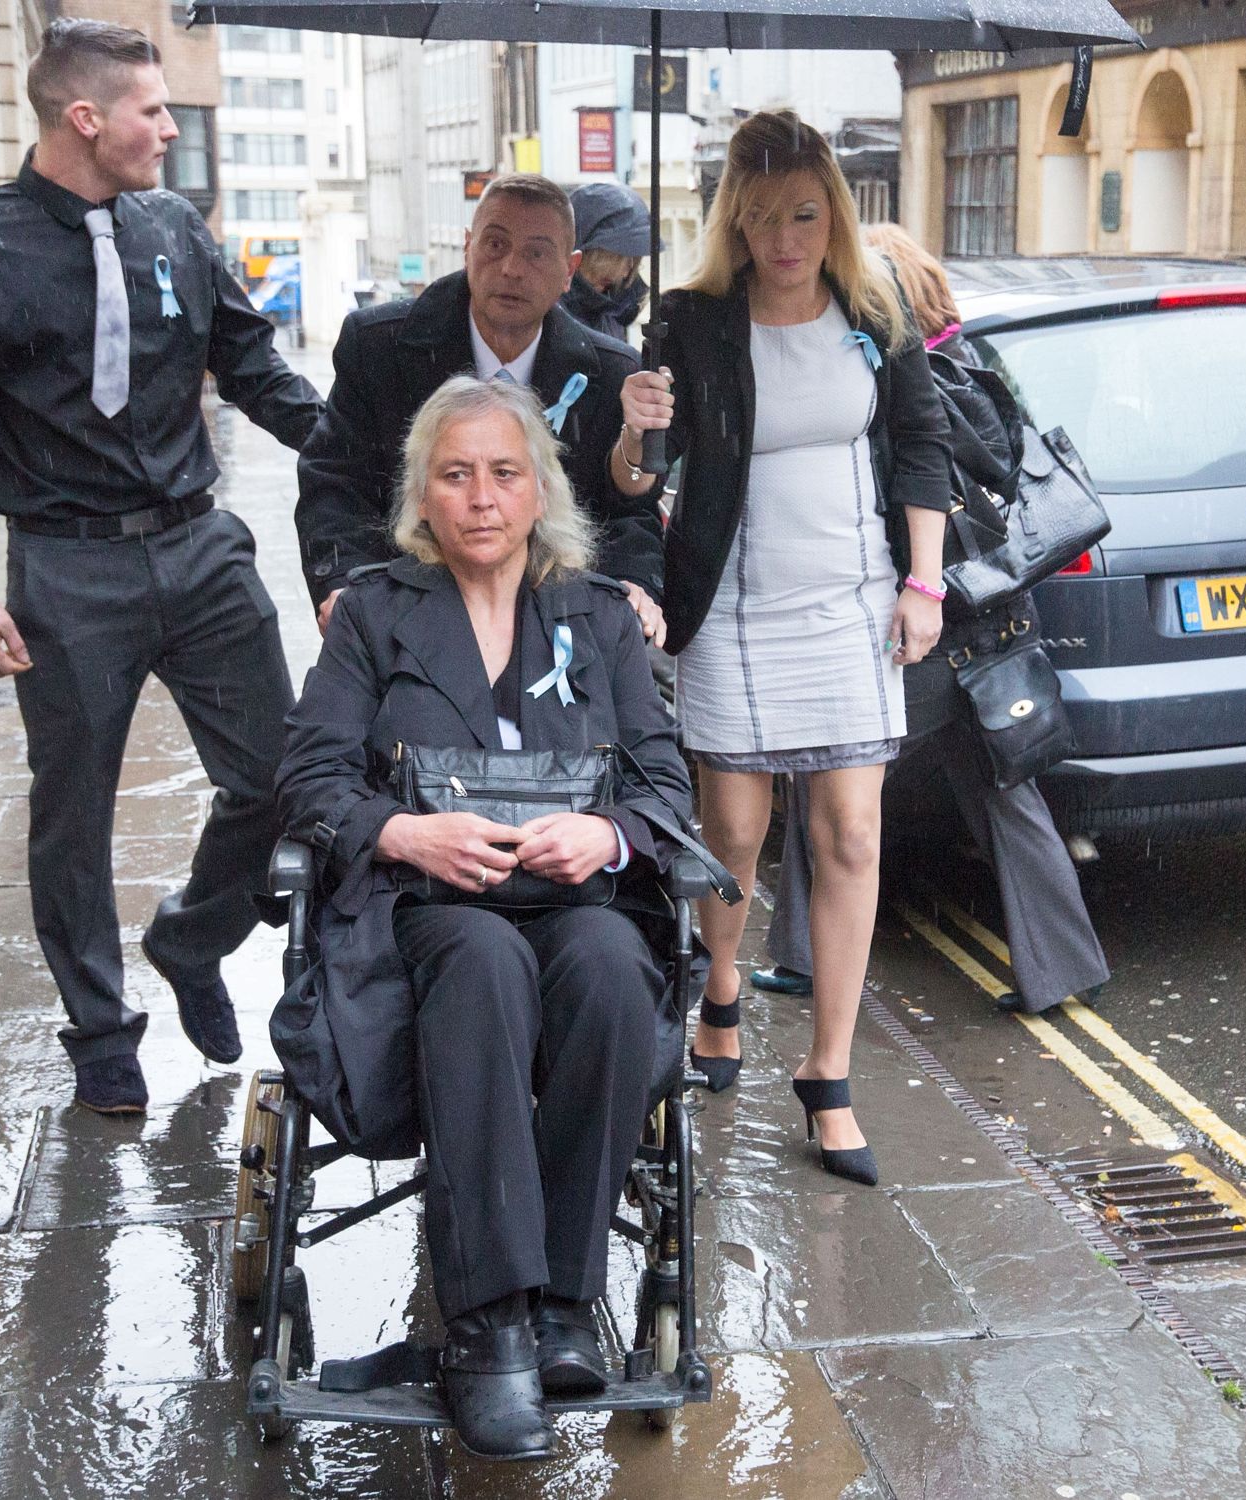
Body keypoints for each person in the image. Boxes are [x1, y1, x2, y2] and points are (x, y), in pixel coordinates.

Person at [0, 20, 323, 1115]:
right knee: (72, 813)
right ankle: (100, 1029)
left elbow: (253, 368)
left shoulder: (175, 226)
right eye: (152, 111)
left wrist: (372, 458)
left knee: (283, 779)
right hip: (64, 572)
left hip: (200, 545)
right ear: (85, 118)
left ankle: (189, 940)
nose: (170, 130)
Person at [275, 375, 697, 1461]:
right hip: (427, 911)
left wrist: (603, 838)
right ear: (423, 494)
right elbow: (311, 776)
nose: (480, 497)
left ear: (539, 489)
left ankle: (563, 1301)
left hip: (571, 899)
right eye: (455, 475)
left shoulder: (596, 617)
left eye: (503, 473)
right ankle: (488, 1326)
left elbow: (660, 786)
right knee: (481, 962)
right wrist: (402, 834)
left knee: (609, 963)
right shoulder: (374, 612)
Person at [611, 110, 953, 1185]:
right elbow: (635, 482)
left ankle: (828, 1074)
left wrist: (922, 580)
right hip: (737, 607)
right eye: (760, 219)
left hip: (851, 604)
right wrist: (634, 428)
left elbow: (923, 446)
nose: (784, 238)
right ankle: (719, 987)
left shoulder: (873, 306)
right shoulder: (691, 321)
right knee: (736, 835)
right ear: (735, 222)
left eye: (802, 214)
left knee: (850, 833)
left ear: (830, 213)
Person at [755, 225, 1109, 1017]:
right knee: (1002, 792)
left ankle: (805, 957)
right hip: (990, 623)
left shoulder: (889, 389)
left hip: (916, 633)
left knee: (828, 779)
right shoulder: (976, 372)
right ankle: (1065, 968)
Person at [296, 172, 667, 646]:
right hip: (405, 615)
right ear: (468, 247)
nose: (512, 268)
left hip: (555, 628)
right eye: (495, 244)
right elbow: (334, 481)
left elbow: (624, 510)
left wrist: (634, 584)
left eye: (536, 252)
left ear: (569, 269)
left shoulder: (610, 372)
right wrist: (345, 581)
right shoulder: (378, 347)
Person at [559, 181, 653, 342]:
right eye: (616, 258)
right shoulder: (549, 313)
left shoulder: (618, 305)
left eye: (634, 259)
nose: (626, 272)